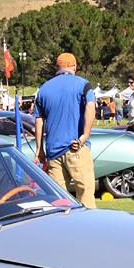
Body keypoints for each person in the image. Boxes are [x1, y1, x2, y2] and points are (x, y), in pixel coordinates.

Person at [34, 52, 96, 208]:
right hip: (77, 147)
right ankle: (87, 231)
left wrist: (39, 149)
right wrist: (85, 135)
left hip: (53, 152)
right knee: (86, 196)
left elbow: (39, 120)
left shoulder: (43, 89)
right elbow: (91, 105)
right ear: (74, 67)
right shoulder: (83, 84)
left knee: (59, 202)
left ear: (57, 67)